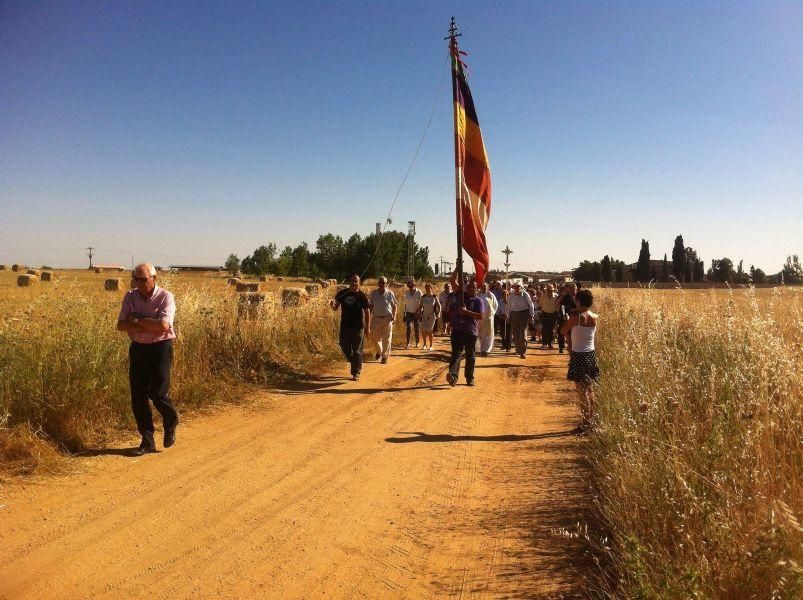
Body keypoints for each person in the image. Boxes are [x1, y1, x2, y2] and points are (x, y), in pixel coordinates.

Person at [116, 263, 178, 456]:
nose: (139, 283)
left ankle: (171, 420)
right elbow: (120, 325)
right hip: (139, 349)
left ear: (154, 279)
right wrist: (147, 324)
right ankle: (147, 440)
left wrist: (135, 320)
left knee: (158, 393)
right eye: (136, 279)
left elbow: (162, 325)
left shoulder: (165, 297)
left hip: (160, 347)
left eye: (143, 279)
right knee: (138, 396)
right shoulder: (130, 296)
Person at [560, 289, 600, 433]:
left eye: (576, 300)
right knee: (590, 390)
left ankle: (585, 423)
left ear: (580, 301)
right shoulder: (594, 316)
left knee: (581, 392)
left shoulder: (575, 318)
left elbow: (563, 331)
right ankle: (592, 420)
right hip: (590, 354)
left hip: (579, 355)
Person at [445, 275, 484, 386]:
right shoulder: (461, 295)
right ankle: (453, 376)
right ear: (466, 288)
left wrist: (466, 312)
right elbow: (452, 281)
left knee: (470, 355)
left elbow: (480, 316)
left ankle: (469, 378)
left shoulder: (478, 301)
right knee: (456, 354)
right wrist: (457, 268)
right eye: (469, 287)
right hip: (457, 329)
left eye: (474, 287)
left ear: (477, 289)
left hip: (470, 332)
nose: (471, 289)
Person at [330, 273, 370, 380]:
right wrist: (332, 305)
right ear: (349, 282)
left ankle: (355, 372)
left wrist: (367, 327)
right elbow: (335, 307)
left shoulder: (362, 296)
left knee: (357, 350)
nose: (354, 283)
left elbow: (367, 311)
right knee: (343, 345)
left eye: (356, 281)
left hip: (358, 327)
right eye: (352, 281)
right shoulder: (342, 294)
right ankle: (355, 362)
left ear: (359, 283)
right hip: (345, 326)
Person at [368, 276, 397, 364]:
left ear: (386, 284)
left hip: (387, 318)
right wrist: (368, 318)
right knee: (375, 338)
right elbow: (371, 306)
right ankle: (380, 352)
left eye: (383, 283)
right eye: (380, 282)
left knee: (387, 339)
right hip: (376, 318)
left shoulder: (390, 293)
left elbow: (394, 305)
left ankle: (384, 357)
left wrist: (394, 316)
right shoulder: (374, 293)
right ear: (378, 283)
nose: (381, 284)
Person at [506, 282, 534, 358]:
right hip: (514, 315)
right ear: (514, 288)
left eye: (518, 287)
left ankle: (523, 351)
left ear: (521, 287)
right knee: (516, 334)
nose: (517, 288)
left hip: (524, 315)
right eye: (515, 287)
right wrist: (508, 317)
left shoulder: (525, 294)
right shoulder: (511, 296)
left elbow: (531, 305)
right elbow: (508, 307)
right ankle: (518, 349)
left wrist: (531, 315)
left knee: (523, 333)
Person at [476, 282, 498, 356]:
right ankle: (482, 348)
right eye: (482, 286)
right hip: (479, 318)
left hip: (488, 318)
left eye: (485, 286)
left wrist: (492, 314)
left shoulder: (491, 295)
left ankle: (486, 350)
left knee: (488, 334)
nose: (484, 287)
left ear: (487, 287)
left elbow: (495, 305)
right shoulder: (477, 295)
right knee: (480, 333)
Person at [555, 283, 578, 354]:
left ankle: (572, 350)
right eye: (570, 290)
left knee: (574, 336)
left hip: (576, 319)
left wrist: (573, 310)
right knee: (563, 333)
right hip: (565, 318)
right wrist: (563, 294)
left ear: (576, 290)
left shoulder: (579, 298)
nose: (572, 291)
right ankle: (562, 347)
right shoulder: (565, 297)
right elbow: (557, 302)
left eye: (573, 290)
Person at [419, 283, 440, 350]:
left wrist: (438, 313)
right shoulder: (423, 297)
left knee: (430, 331)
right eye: (426, 288)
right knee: (423, 330)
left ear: (431, 288)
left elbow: (439, 306)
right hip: (424, 315)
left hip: (432, 316)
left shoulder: (434, 297)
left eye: (429, 288)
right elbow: (420, 306)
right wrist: (419, 312)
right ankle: (424, 344)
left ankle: (431, 345)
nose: (428, 289)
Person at [403, 279, 423, 349]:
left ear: (414, 285)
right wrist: (404, 313)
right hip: (408, 312)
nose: (410, 287)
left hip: (416, 313)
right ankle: (408, 343)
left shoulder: (419, 292)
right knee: (408, 328)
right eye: (409, 286)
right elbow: (405, 304)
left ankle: (417, 342)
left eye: (412, 286)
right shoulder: (406, 293)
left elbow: (422, 303)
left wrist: (419, 311)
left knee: (416, 328)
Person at [538, 284, 559, 349]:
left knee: (552, 330)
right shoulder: (543, 296)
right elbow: (540, 305)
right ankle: (544, 343)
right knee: (544, 329)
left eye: (551, 290)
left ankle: (550, 343)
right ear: (546, 290)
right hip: (545, 314)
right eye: (548, 290)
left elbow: (558, 306)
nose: (550, 292)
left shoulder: (556, 296)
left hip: (553, 314)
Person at [494, 282, 511, 351]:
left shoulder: (510, 301)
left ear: (508, 295)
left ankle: (508, 347)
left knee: (508, 333)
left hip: (509, 317)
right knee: (502, 332)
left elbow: (512, 310)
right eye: (503, 294)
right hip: (502, 317)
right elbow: (498, 312)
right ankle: (504, 345)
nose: (504, 295)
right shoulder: (500, 301)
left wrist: (508, 316)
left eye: (505, 294)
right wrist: (502, 316)